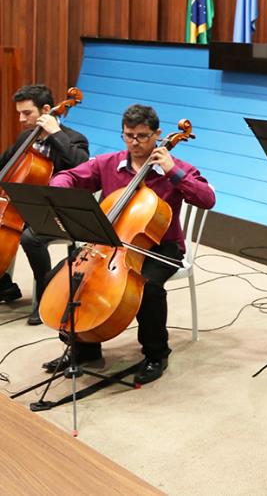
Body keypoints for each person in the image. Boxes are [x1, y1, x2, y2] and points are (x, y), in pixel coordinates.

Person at [41, 104, 215, 384]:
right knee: (63, 276)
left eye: (143, 136)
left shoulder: (176, 168)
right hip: (110, 243)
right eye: (129, 135)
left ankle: (156, 353)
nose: (135, 142)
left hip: (161, 246)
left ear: (157, 134)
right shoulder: (108, 163)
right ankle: (85, 347)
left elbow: (207, 199)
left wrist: (173, 171)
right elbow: (69, 176)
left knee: (148, 288)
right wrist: (59, 191)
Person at [0, 84, 90, 324]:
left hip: (59, 211)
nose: (21, 119)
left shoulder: (74, 139)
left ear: (46, 110)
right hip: (22, 208)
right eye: (19, 113)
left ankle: (45, 291)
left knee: (30, 238)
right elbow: (4, 164)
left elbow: (82, 167)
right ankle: (4, 285)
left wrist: (55, 134)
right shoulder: (25, 138)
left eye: (27, 113)